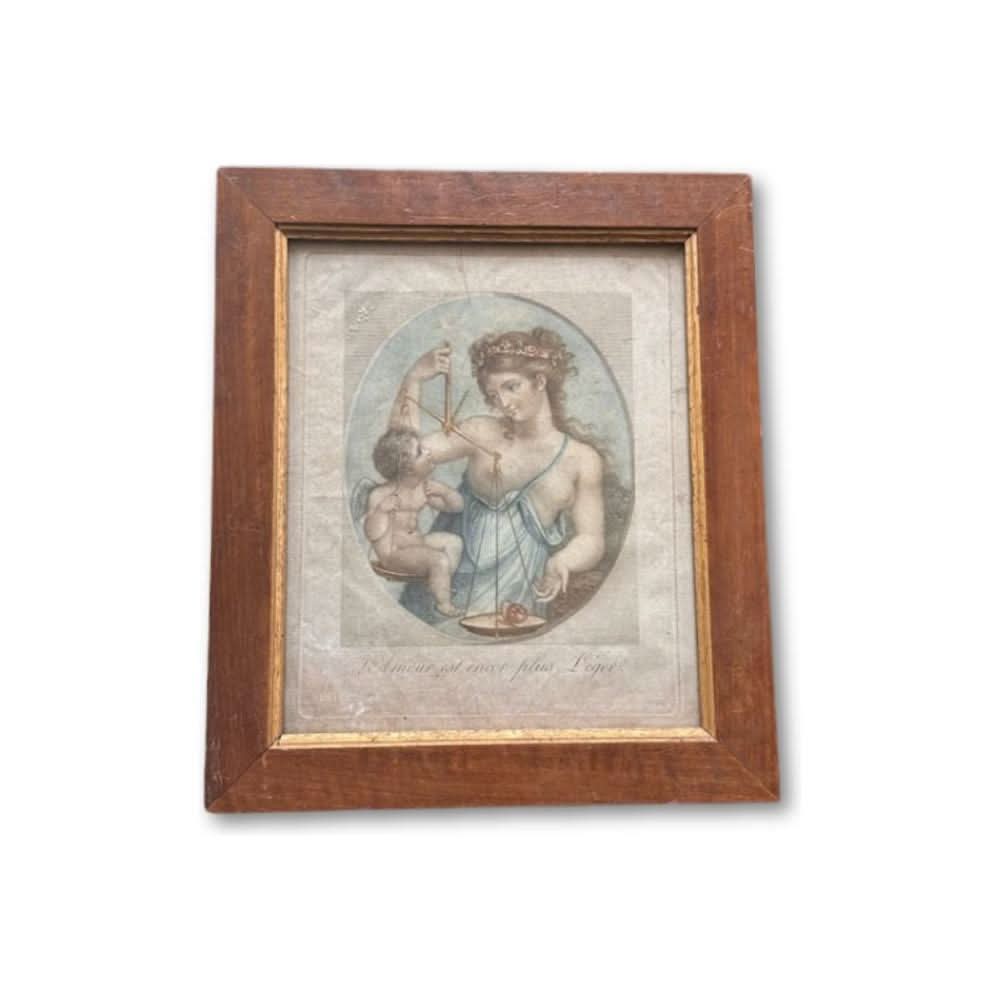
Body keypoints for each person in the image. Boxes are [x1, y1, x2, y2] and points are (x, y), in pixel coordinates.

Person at [388, 327, 606, 625]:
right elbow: (400, 456)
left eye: (511, 387)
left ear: (540, 381)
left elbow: (591, 538)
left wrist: (563, 560)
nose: (502, 402)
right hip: (442, 592)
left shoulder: (581, 459)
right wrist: (413, 380)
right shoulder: (481, 432)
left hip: (514, 604)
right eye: (493, 394)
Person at [364, 428, 465, 617]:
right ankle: (443, 604)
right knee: (438, 559)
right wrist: (381, 511)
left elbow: (456, 507)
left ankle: (439, 583)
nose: (427, 452)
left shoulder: (422, 489)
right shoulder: (381, 495)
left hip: (417, 545)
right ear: (406, 468)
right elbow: (372, 533)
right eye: (419, 452)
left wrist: (446, 493)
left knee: (453, 542)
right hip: (394, 555)